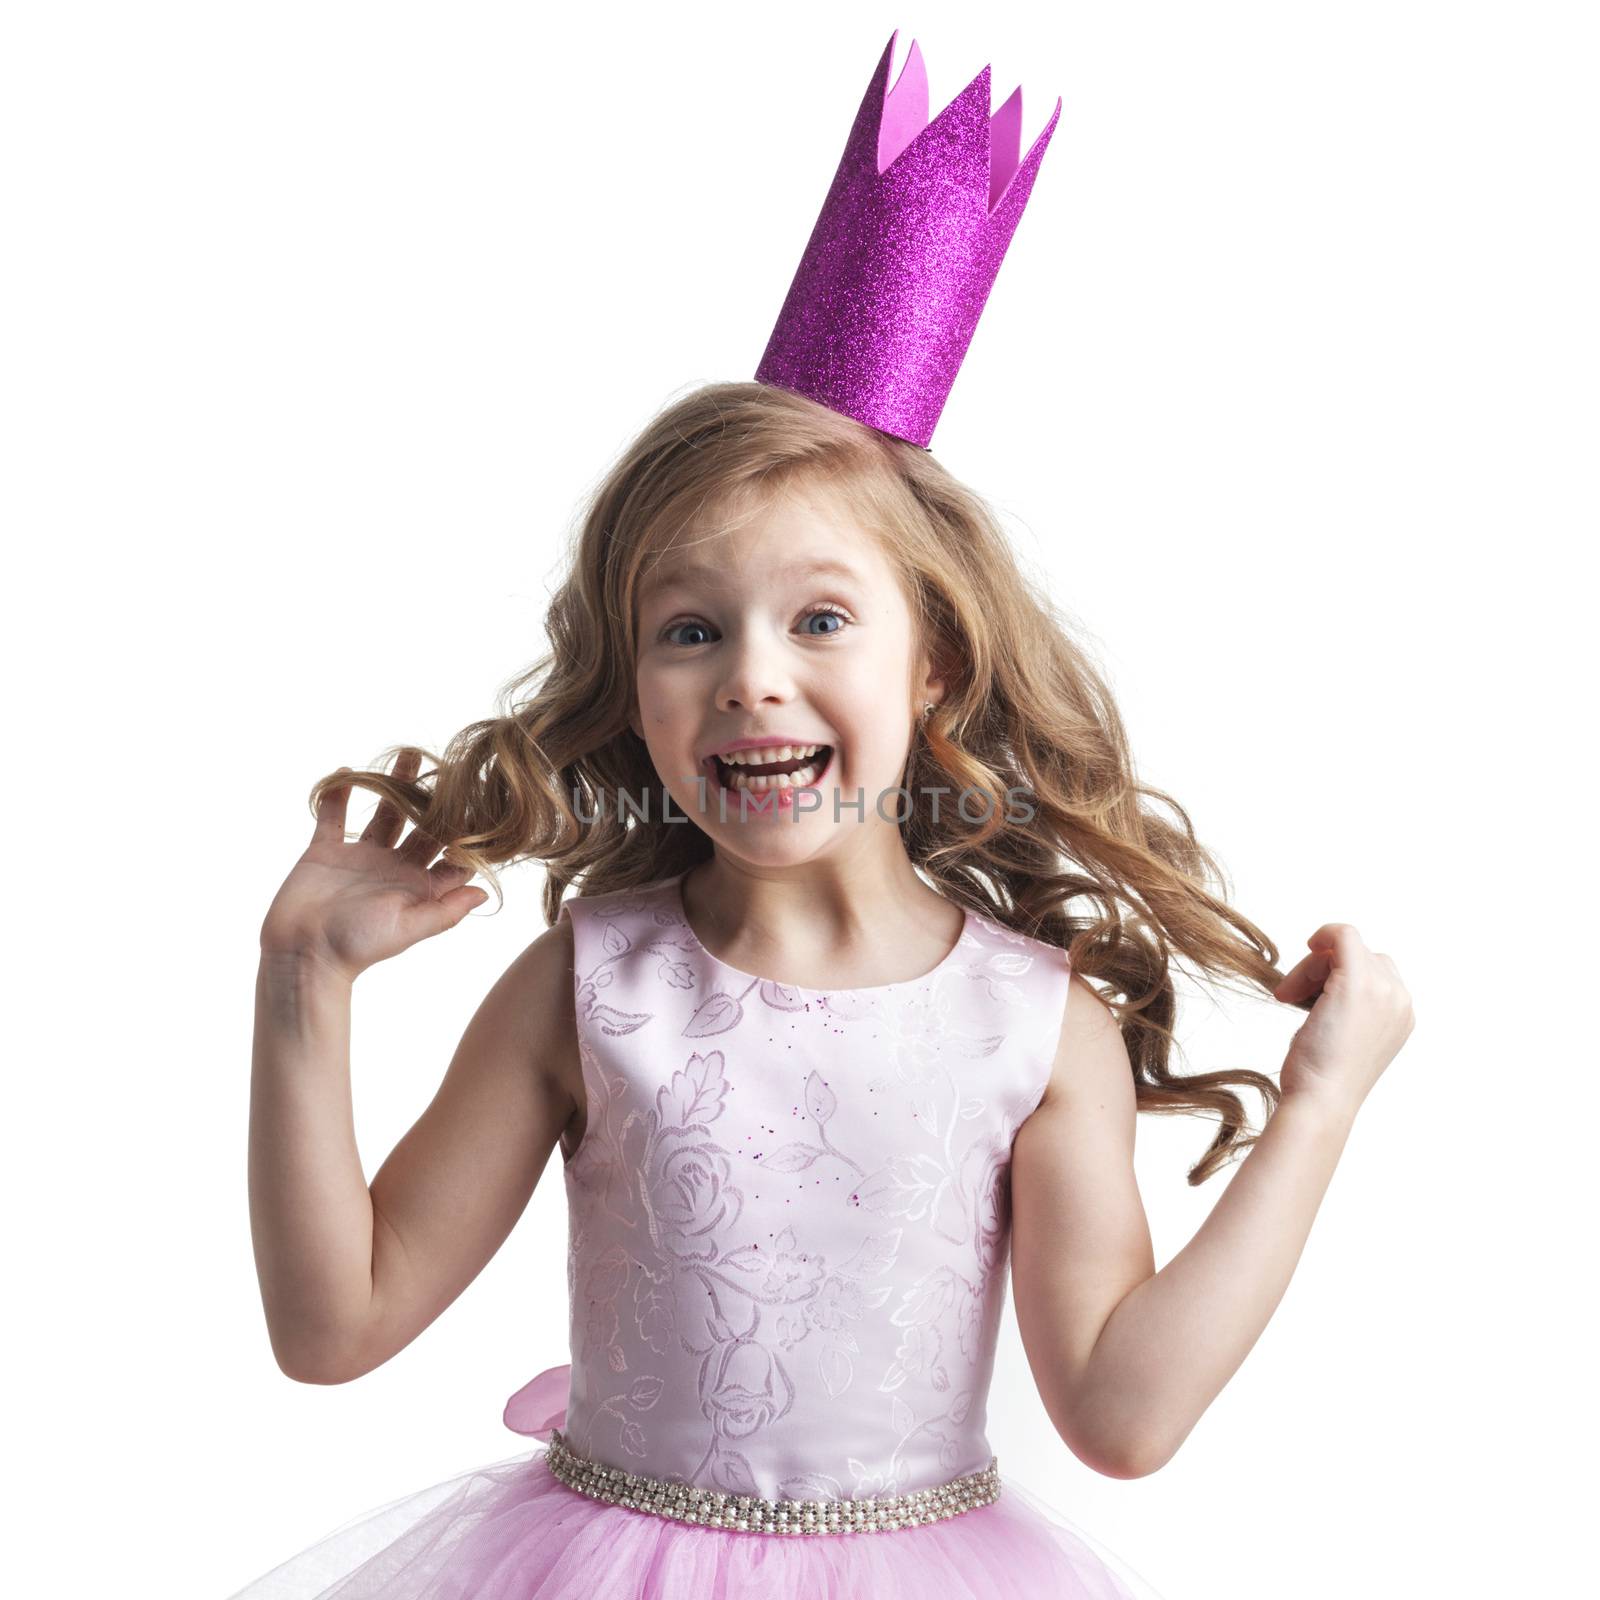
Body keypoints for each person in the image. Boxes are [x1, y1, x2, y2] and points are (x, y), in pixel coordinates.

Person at [232, 31, 1415, 1600]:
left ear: (937, 660)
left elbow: (1124, 1415)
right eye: (692, 628)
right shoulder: (595, 986)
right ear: (634, 681)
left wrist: (1321, 1104)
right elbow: (337, 1327)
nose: (752, 682)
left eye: (823, 620)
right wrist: (301, 983)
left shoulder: (1029, 1023)